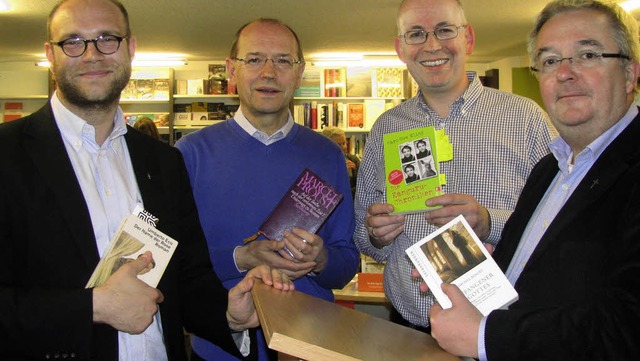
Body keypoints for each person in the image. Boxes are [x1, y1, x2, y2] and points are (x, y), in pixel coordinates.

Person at [0, 1, 294, 360]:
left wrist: (229, 315)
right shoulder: (8, 156)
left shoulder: (164, 162)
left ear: (130, 49)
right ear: (50, 54)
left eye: (107, 39)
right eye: (73, 41)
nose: (92, 54)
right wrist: (92, 307)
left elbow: (189, 279)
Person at [424, 1, 640, 359]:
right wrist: (475, 280)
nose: (566, 73)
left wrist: (484, 336)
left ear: (630, 73)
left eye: (587, 54)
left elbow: (627, 328)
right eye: (551, 60)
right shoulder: (547, 170)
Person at [354, 0, 555, 331]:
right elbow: (363, 234)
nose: (432, 45)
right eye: (416, 34)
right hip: (409, 331)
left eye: (445, 30)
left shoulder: (526, 118)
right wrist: (376, 234)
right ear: (400, 48)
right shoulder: (386, 128)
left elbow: (560, 221)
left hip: (503, 329)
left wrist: (491, 222)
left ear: (469, 38)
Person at [175, 18, 359, 360]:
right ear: (232, 70)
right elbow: (175, 262)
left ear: (300, 73)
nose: (269, 72)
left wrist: (321, 260)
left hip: (310, 346)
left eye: (283, 60)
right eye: (255, 59)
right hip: (221, 348)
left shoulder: (328, 155)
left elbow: (347, 264)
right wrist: (241, 257)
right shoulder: (191, 153)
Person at [321, 126, 360, 197]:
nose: (343, 147)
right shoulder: (319, 163)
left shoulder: (353, 160)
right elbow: (323, 192)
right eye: (338, 145)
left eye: (344, 143)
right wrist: (340, 171)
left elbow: (362, 188)